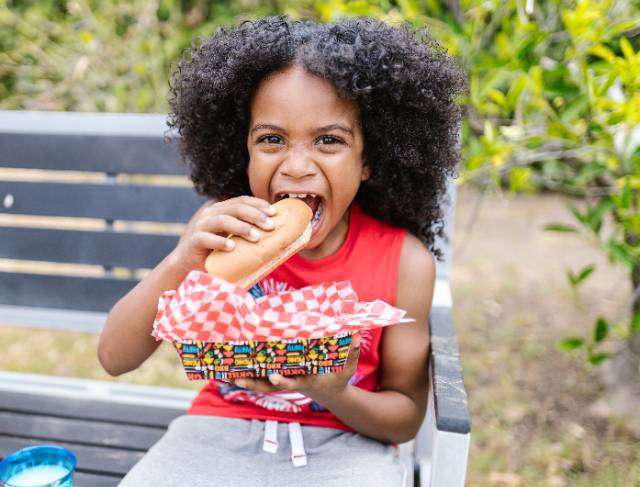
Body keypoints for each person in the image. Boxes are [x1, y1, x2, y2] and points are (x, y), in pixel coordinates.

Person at [98, 15, 466, 486]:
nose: (296, 167)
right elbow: (114, 357)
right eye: (271, 139)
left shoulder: (404, 263)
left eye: (329, 141)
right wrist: (182, 260)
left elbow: (405, 416)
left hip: (346, 443)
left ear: (370, 159)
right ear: (242, 149)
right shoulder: (221, 237)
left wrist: (331, 391)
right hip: (217, 429)